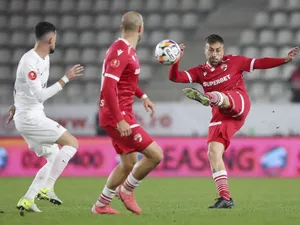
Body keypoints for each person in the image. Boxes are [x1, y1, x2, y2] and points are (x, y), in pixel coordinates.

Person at [168, 34, 299, 208]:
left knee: (221, 97)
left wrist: (284, 60)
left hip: (238, 102)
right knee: (213, 151)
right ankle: (225, 197)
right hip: (221, 115)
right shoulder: (200, 71)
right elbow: (175, 77)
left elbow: (259, 62)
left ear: (223, 50)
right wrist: (175, 60)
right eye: (211, 50)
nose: (214, 54)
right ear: (205, 51)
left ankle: (210, 97)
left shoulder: (234, 61)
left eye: (218, 50)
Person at [7, 22, 84, 212]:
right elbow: (40, 95)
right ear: (51, 39)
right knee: (72, 143)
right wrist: (66, 78)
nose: (55, 42)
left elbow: (20, 85)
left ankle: (27, 199)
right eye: (55, 38)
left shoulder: (44, 58)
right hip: (30, 118)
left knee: (53, 156)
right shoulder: (29, 61)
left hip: (29, 114)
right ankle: (46, 188)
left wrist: (15, 105)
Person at [91, 11, 163, 215]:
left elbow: (125, 82)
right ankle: (127, 190)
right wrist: (120, 119)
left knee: (129, 162)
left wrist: (143, 96)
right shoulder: (120, 51)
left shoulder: (127, 50)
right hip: (117, 116)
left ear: (122, 27)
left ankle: (101, 205)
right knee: (156, 155)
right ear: (141, 29)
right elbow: (108, 88)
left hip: (119, 114)